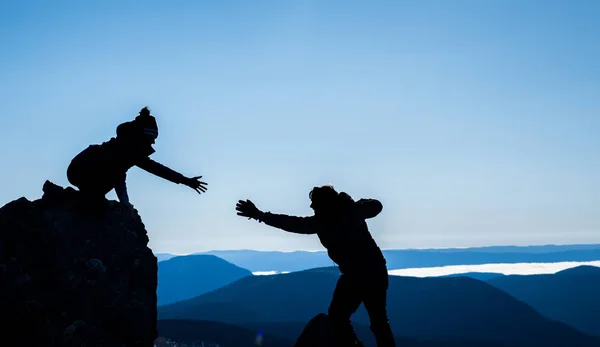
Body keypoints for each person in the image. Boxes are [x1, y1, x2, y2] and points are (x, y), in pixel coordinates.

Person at [235, 184, 395, 347]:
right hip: (375, 269)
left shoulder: (324, 221)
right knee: (378, 320)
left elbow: (291, 223)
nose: (311, 206)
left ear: (325, 203)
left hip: (356, 274)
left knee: (338, 315)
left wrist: (259, 215)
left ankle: (354, 345)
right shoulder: (351, 212)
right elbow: (376, 206)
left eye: (315, 203)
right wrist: (353, 204)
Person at [67, 107, 207, 208]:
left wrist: (185, 181)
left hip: (79, 169)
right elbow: (118, 176)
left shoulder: (128, 147)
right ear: (141, 137)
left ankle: (90, 198)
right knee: (99, 199)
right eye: (151, 139)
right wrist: (125, 204)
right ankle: (90, 200)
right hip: (81, 170)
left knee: (101, 192)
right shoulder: (126, 149)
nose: (153, 142)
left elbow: (157, 169)